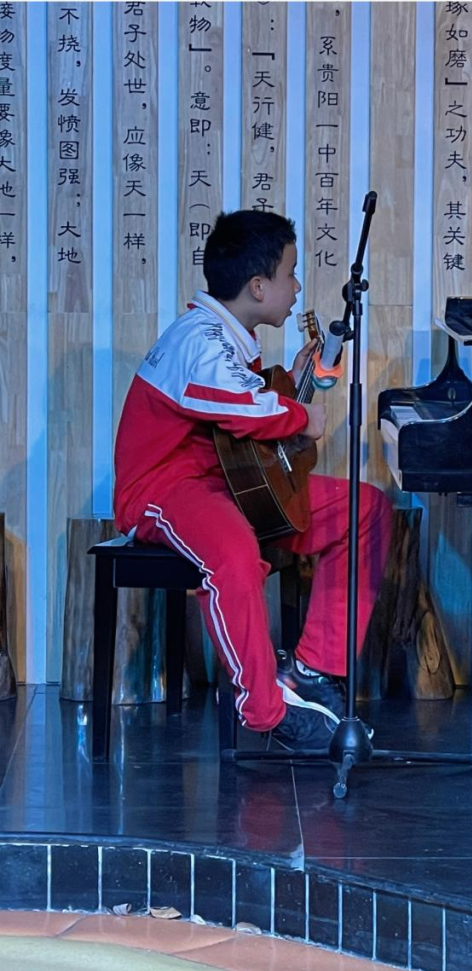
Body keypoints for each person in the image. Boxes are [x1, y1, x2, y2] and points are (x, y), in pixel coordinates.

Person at [113, 210, 392, 754]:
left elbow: (242, 412)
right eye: (290, 273)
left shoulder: (229, 337)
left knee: (365, 509)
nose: (297, 287)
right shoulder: (199, 337)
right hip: (163, 490)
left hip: (225, 485)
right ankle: (264, 710)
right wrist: (303, 417)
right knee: (234, 553)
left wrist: (297, 384)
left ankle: (314, 669)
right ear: (258, 286)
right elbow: (241, 409)